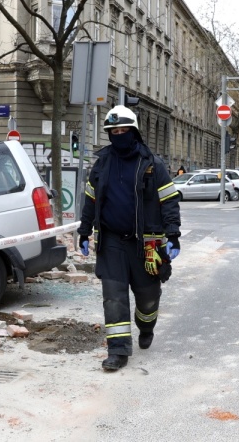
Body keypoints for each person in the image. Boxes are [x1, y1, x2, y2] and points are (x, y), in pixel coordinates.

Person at [77, 106, 182, 372]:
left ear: (134, 131)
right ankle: (118, 350)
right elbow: (90, 199)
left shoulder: (152, 164)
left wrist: (173, 235)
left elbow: (169, 200)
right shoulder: (102, 164)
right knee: (114, 297)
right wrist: (84, 231)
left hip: (146, 244)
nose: (119, 135)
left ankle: (146, 326)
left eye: (124, 130)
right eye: (114, 131)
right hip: (112, 242)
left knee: (148, 297)